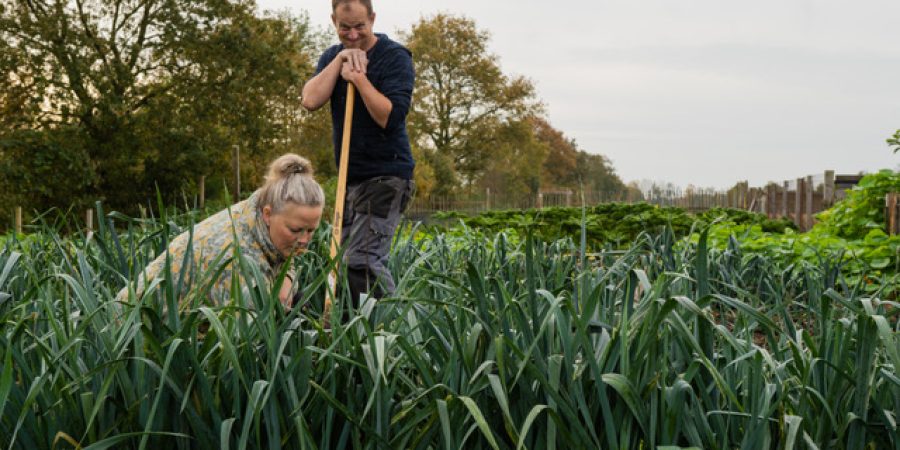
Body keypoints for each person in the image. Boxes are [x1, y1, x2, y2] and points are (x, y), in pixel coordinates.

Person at [301, 0, 415, 304]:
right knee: (343, 262)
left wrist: (358, 78)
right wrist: (339, 63)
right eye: (344, 27)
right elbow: (310, 100)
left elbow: (389, 118)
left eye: (359, 26)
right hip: (350, 178)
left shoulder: (394, 57)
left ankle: (389, 334)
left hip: (386, 175)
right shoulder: (332, 56)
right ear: (334, 22)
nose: (352, 35)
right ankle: (348, 333)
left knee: (363, 261)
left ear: (373, 19)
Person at [117, 154, 325, 310]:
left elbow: (283, 255)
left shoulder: (263, 212)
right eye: (296, 230)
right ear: (268, 214)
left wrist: (286, 280)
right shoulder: (236, 258)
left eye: (311, 230)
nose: (304, 240)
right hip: (133, 336)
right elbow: (240, 345)